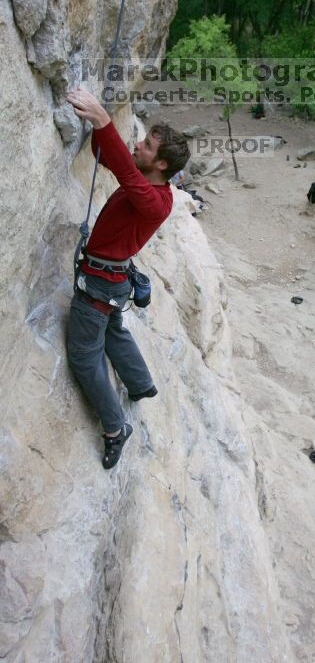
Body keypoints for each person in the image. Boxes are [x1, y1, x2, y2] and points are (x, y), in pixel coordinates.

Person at [66, 88, 190, 469]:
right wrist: (101, 130)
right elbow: (107, 158)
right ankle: (140, 384)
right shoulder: (153, 186)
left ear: (162, 164)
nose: (138, 144)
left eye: (148, 145)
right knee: (114, 330)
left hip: (102, 283)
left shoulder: (153, 199)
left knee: (85, 356)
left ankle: (116, 428)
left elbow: (121, 167)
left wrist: (105, 120)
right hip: (113, 280)